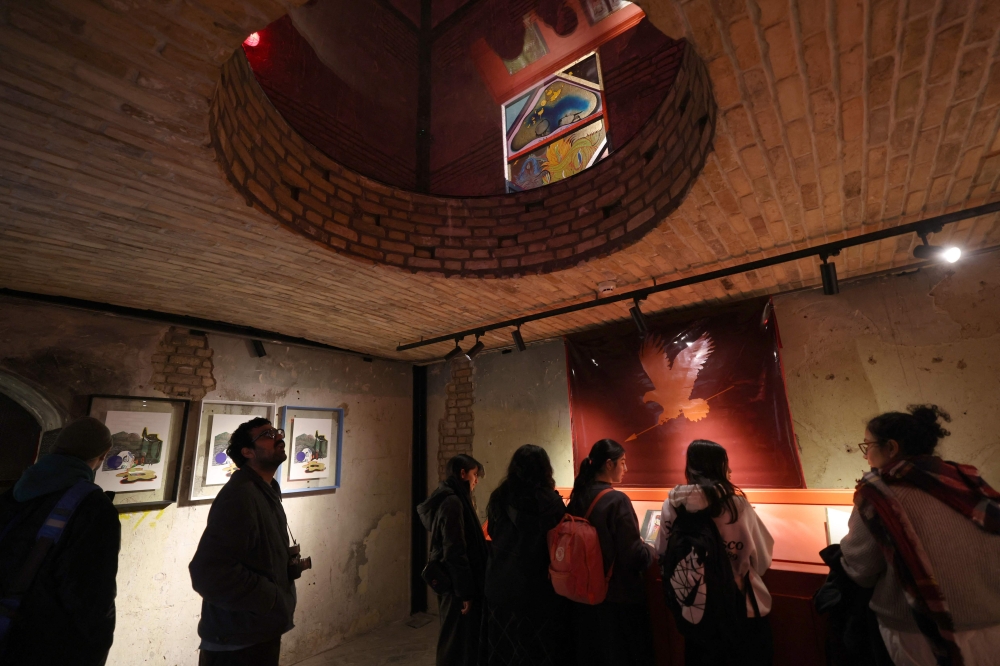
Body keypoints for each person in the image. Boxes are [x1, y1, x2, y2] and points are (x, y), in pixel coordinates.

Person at [840, 405, 1000, 666]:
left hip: (922, 632)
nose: (865, 456)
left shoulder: (878, 497)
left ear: (890, 448)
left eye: (867, 445)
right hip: (993, 622)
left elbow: (861, 570)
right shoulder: (967, 482)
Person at [0, 416, 121, 666]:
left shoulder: (14, 494)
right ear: (103, 455)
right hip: (47, 644)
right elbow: (92, 599)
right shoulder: (94, 508)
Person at [189, 418, 299, 666]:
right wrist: (269, 598)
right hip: (237, 641)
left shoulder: (265, 490)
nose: (278, 437)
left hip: (258, 630)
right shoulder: (240, 496)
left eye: (276, 432)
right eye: (267, 435)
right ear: (247, 452)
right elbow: (208, 571)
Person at [656, 439, 775, 666]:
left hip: (693, 607)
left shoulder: (671, 504)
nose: (730, 470)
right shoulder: (736, 505)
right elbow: (761, 558)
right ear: (718, 467)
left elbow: (662, 550)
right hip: (739, 606)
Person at [566, 439, 654, 666]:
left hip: (581, 593)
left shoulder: (578, 496)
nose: (626, 469)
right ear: (608, 464)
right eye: (622, 463)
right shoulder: (617, 500)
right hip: (616, 596)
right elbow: (633, 554)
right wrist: (651, 551)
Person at [481, 444, 569, 666]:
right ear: (545, 469)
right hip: (537, 588)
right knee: (537, 651)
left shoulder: (499, 497)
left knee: (504, 650)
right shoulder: (551, 502)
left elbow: (492, 531)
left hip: (500, 584)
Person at [417, 454, 488, 666]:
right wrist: (465, 592)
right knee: (455, 640)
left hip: (454, 583)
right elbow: (454, 550)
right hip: (455, 585)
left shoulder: (452, 499)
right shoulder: (453, 502)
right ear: (462, 474)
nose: (476, 480)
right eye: (474, 475)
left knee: (458, 638)